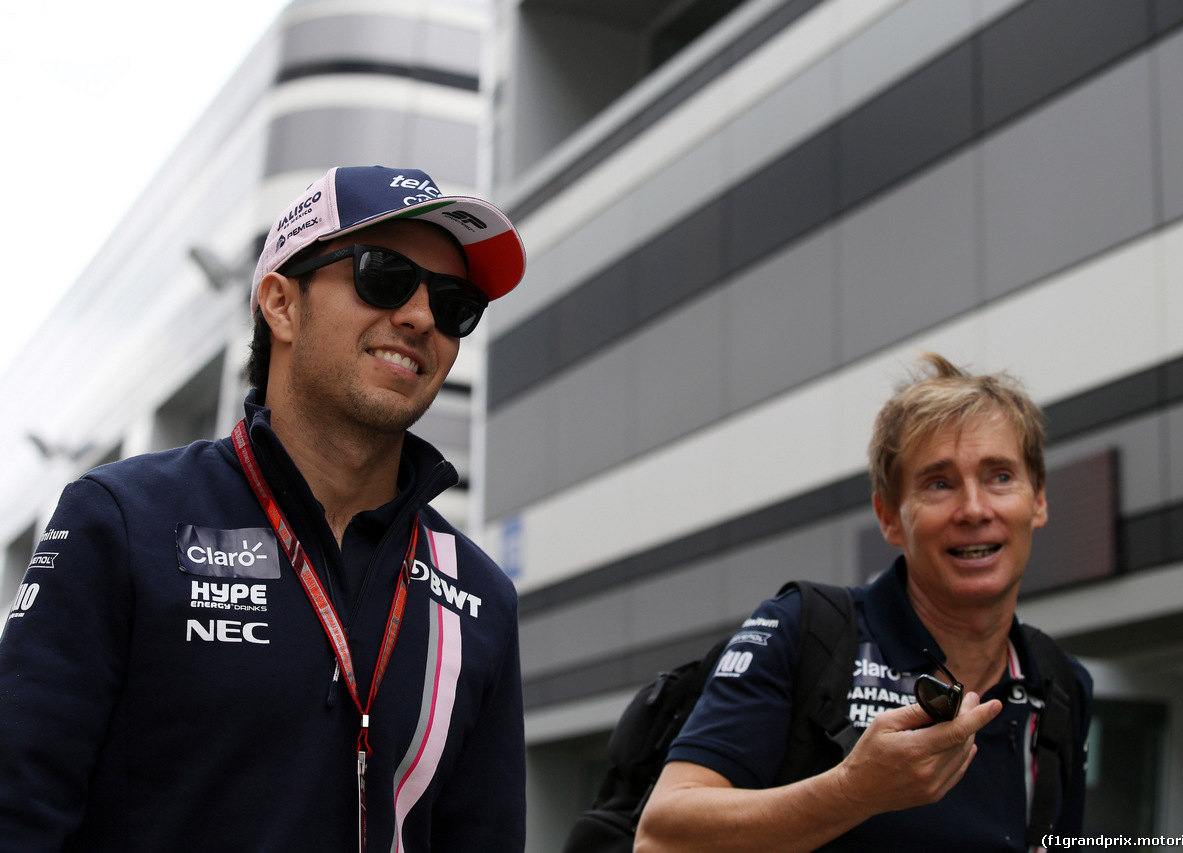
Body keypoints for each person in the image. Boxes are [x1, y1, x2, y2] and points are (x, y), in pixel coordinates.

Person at [0, 166, 528, 852]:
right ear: (280, 303)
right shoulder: (122, 520)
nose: (422, 317)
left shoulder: (479, 596)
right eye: (383, 275)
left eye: (455, 303)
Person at [634, 352, 1093, 853]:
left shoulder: (1060, 684)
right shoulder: (801, 631)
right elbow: (662, 836)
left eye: (1000, 476)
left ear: (1039, 499)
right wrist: (852, 792)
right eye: (939, 483)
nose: (976, 509)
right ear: (889, 516)